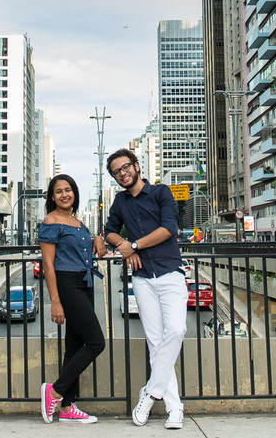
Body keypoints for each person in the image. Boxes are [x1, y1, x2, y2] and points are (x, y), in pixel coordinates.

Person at [101, 148, 187, 430]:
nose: (122, 173)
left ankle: (150, 394)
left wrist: (133, 245)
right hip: (141, 278)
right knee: (155, 339)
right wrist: (122, 246)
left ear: (136, 166)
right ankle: (175, 408)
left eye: (125, 167)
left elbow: (168, 229)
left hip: (170, 272)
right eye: (116, 171)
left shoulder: (161, 192)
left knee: (175, 331)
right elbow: (109, 231)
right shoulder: (119, 201)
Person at [39, 174, 106, 424]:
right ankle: (54, 391)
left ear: (74, 193)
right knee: (96, 342)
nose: (64, 194)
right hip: (68, 284)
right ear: (52, 197)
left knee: (75, 347)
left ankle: (67, 407)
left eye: (68, 190)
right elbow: (48, 264)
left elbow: (82, 249)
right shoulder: (51, 221)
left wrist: (96, 239)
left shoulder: (77, 222)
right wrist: (55, 302)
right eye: (59, 191)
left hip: (85, 282)